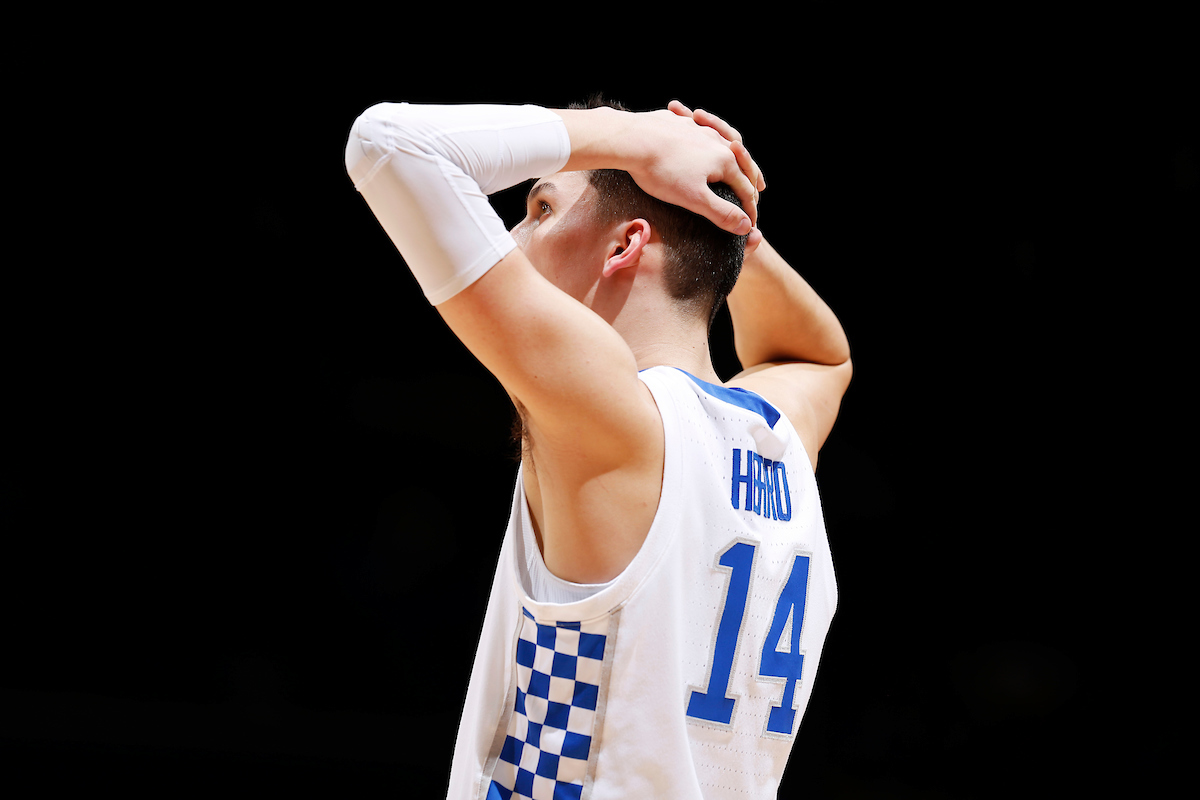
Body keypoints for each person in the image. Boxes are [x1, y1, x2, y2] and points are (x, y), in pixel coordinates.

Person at [344, 96, 852, 800]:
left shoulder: (615, 416)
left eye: (542, 208)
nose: (513, 237)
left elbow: (388, 143)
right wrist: (727, 215)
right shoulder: (780, 436)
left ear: (624, 246)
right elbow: (821, 355)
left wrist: (637, 138)